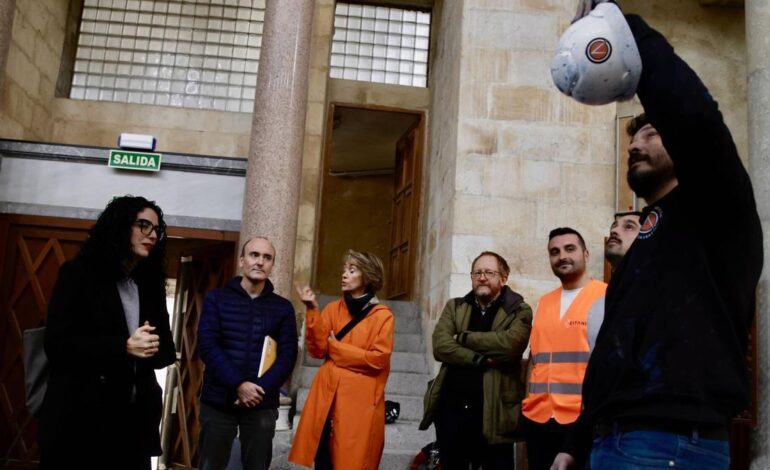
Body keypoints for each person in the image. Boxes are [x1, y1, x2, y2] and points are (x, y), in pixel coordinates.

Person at [552, 1, 763, 468]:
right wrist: (577, 442)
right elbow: (618, 347)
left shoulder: (715, 208)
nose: (633, 144)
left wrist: (623, 29)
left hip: (668, 445)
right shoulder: (648, 237)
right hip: (616, 440)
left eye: (649, 133)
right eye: (631, 136)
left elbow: (695, 119)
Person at [39, 195, 176, 470]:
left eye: (157, 230)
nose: (152, 235)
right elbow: (57, 345)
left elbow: (165, 353)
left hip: (133, 422)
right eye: (143, 226)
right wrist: (123, 346)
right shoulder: (78, 274)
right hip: (82, 418)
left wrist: (150, 348)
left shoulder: (149, 285)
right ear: (120, 226)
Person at [419, 251, 532, 470]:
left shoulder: (519, 310)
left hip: (495, 414)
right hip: (451, 412)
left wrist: (462, 338)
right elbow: (441, 346)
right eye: (477, 272)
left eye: (489, 272)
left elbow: (510, 346)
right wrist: (479, 359)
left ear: (504, 277)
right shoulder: (455, 306)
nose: (482, 277)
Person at [197, 237, 298, 470]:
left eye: (267, 258)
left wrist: (258, 389)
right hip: (219, 400)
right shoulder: (217, 299)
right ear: (242, 260)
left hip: (262, 402)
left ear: (272, 265)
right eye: (254, 255)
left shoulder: (283, 307)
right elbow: (208, 347)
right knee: (211, 465)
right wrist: (239, 385)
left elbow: (287, 355)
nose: (260, 262)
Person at [289, 250, 394, 470]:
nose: (344, 275)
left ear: (367, 276)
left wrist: (336, 349)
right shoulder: (332, 309)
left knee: (352, 462)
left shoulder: (383, 316)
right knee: (324, 459)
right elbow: (318, 351)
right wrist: (312, 310)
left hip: (359, 403)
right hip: (327, 397)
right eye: (344, 270)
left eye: (352, 270)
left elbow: (377, 360)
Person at [521, 228, 607, 470]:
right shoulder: (545, 302)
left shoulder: (605, 296)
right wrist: (527, 401)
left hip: (581, 420)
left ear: (586, 254)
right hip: (538, 418)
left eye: (570, 249)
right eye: (554, 252)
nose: (562, 256)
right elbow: (535, 359)